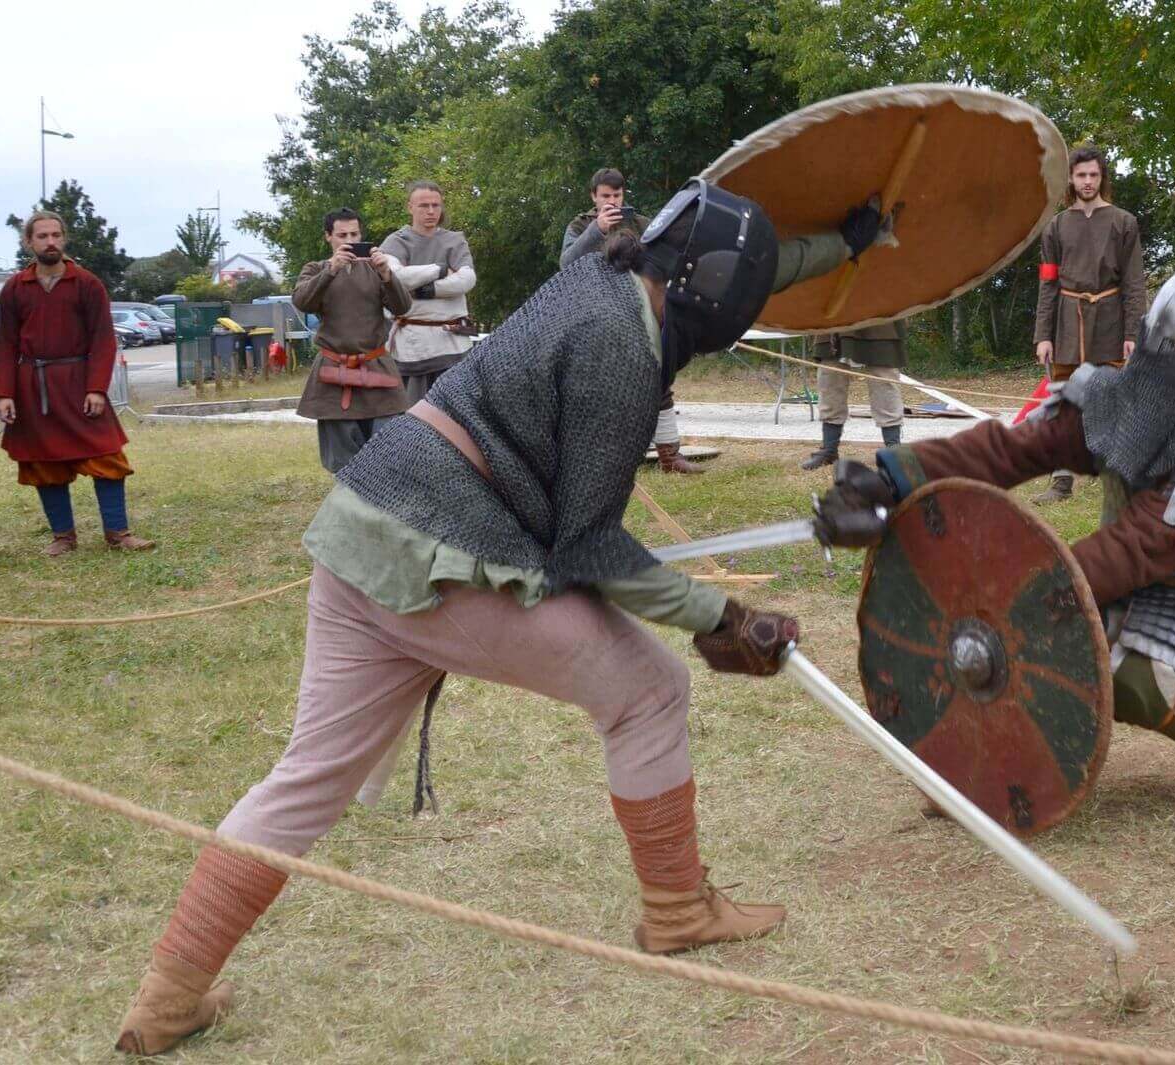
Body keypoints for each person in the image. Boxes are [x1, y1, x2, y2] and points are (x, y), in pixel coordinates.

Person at [113, 181, 883, 1056]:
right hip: (447, 553)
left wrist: (846, 243)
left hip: (362, 530)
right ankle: (678, 910)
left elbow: (748, 266)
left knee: (304, 780)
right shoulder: (619, 347)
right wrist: (720, 615)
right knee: (651, 691)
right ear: (708, 293)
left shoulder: (599, 269)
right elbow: (588, 546)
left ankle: (166, 998)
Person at [817, 260, 1175, 827]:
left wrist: (1031, 589)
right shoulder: (1111, 402)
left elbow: (1136, 549)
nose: (1171, 366)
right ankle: (992, 770)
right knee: (1033, 627)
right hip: (1125, 578)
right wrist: (893, 480)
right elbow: (1011, 451)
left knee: (1103, 652)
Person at [0, 210, 154, 556]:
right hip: (33, 388)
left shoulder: (87, 284)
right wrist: (4, 393)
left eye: (55, 235)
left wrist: (96, 388)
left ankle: (118, 533)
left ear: (64, 238)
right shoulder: (16, 288)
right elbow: (4, 342)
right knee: (44, 463)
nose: (50, 242)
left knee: (107, 457)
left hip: (79, 384)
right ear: (29, 242)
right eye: (42, 236)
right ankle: (63, 537)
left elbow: (103, 340)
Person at [562, 167, 704, 474]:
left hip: (642, 311)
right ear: (594, 196)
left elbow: (668, 259)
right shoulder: (580, 225)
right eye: (605, 195)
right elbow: (566, 263)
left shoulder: (641, 223)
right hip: (598, 315)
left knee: (659, 378)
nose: (612, 201)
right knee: (603, 387)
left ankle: (670, 456)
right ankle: (606, 460)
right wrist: (597, 230)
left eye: (617, 194)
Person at [1032, 144, 1146, 502]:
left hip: (1110, 320)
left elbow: (1134, 282)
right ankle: (1061, 482)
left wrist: (1132, 332)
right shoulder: (1055, 227)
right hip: (1067, 322)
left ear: (1102, 177)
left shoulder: (1123, 222)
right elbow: (1048, 284)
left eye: (1093, 175)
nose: (1087, 181)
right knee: (1063, 403)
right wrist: (1043, 335)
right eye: (1081, 175)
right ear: (1070, 178)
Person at [291, 208, 413, 474]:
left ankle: (383, 499)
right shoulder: (315, 269)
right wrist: (331, 270)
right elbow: (302, 301)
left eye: (354, 234)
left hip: (377, 370)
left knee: (388, 455)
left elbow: (403, 307)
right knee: (343, 464)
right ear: (328, 236)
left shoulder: (375, 269)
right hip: (333, 374)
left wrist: (387, 275)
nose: (349, 240)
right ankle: (350, 501)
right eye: (342, 235)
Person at [380, 180, 478, 401]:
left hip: (454, 345)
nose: (431, 211)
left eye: (436, 205)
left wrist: (425, 291)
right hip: (413, 348)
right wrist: (440, 269)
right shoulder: (396, 242)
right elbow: (396, 277)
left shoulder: (454, 241)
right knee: (415, 413)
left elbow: (466, 280)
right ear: (410, 207)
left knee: (456, 411)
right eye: (424, 205)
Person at [799, 322, 907, 471]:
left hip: (879, 317)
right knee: (830, 378)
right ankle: (829, 450)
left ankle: (894, 452)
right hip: (835, 319)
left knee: (884, 381)